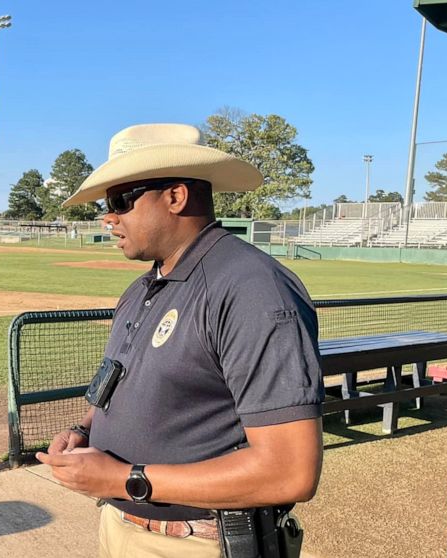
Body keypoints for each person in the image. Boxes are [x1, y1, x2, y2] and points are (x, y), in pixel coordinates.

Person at [36, 123, 324, 558]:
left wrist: (123, 479)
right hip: (120, 526)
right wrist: (84, 431)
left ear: (175, 197)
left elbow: (290, 471)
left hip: (197, 541)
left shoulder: (251, 287)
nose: (107, 217)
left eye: (120, 200)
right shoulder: (143, 289)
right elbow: (119, 387)